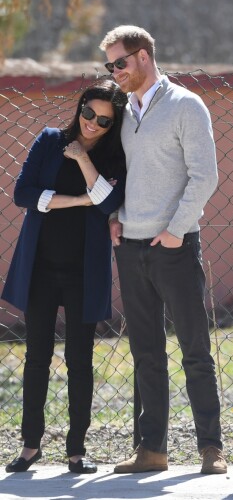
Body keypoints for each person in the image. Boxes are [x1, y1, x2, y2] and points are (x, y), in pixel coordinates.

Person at [98, 25, 226, 475]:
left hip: (174, 246)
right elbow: (122, 172)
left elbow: (204, 176)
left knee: (195, 348)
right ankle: (151, 451)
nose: (115, 72)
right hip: (129, 248)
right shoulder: (123, 111)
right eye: (110, 66)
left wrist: (175, 229)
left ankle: (211, 449)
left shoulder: (186, 106)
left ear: (145, 56)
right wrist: (114, 217)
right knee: (146, 353)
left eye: (121, 63)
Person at [2, 79, 128, 474]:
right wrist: (76, 200)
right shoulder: (49, 140)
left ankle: (76, 450)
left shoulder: (112, 157)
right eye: (88, 113)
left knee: (80, 360)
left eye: (103, 121)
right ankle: (30, 445)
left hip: (83, 272)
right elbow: (23, 193)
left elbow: (109, 200)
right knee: (36, 357)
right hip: (40, 267)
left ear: (113, 125)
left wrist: (83, 160)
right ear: (79, 108)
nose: (92, 123)